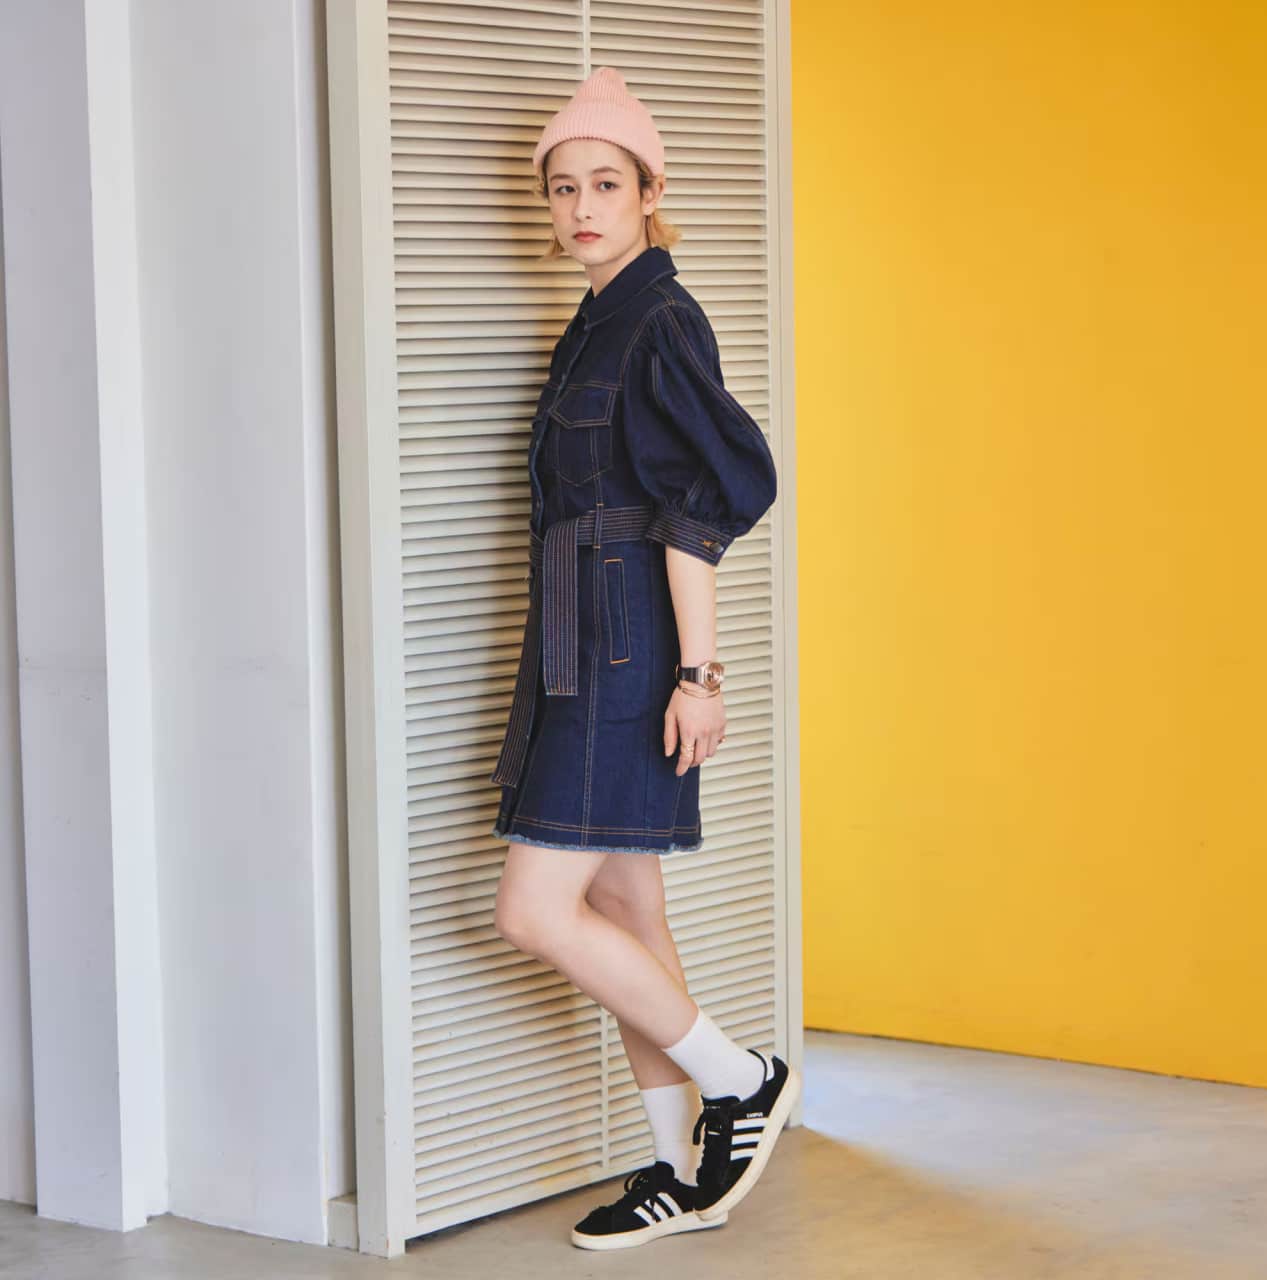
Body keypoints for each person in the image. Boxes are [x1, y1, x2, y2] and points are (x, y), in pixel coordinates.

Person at [488, 66, 797, 1251]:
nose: (580, 207)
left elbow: (700, 502)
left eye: (605, 184)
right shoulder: (595, 321)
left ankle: (739, 1077)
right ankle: (677, 1168)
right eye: (562, 187)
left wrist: (698, 673)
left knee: (533, 909)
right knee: (621, 901)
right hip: (574, 635)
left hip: (624, 649)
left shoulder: (660, 319)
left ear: (649, 192)